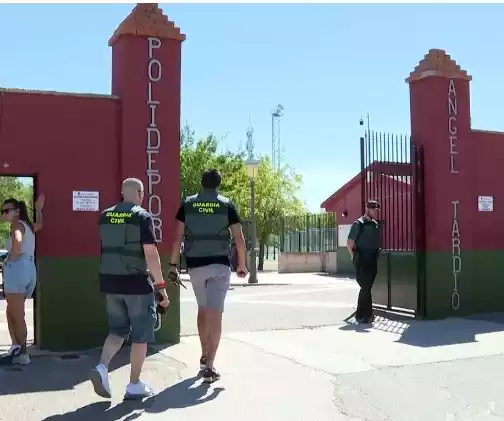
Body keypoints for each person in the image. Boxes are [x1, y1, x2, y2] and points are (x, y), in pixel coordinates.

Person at [89, 178, 169, 400]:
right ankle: (134, 384)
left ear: (123, 193)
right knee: (141, 335)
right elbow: (151, 255)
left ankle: (102, 367)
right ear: (140, 193)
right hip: (135, 283)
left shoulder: (105, 216)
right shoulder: (142, 216)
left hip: (110, 282)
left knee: (117, 330)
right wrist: (161, 286)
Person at [169, 169, 247, 383]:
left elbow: (177, 239)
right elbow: (239, 238)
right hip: (219, 265)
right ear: (218, 185)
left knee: (203, 310)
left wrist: (173, 265)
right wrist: (241, 264)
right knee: (215, 314)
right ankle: (210, 367)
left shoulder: (188, 204)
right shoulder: (226, 205)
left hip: (195, 266)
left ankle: (204, 356)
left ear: (201, 184)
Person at [1, 194, 44, 365]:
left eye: (7, 211)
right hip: (29, 269)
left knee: (17, 314)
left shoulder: (17, 225)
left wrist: (12, 257)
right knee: (11, 311)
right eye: (3, 211)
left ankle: (23, 353)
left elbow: (17, 241)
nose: (4, 214)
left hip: (17, 269)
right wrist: (39, 209)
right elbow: (40, 225)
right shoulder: (28, 225)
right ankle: (16, 347)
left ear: (17, 212)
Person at [347, 200, 381, 324]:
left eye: (377, 210)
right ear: (367, 209)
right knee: (365, 286)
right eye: (374, 210)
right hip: (362, 259)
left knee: (366, 287)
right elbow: (350, 243)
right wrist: (355, 258)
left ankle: (361, 314)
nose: (375, 212)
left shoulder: (375, 224)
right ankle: (366, 315)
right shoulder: (358, 224)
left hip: (372, 259)